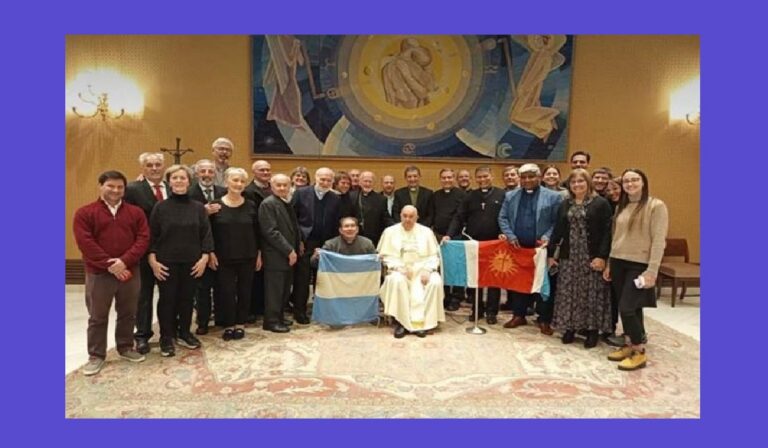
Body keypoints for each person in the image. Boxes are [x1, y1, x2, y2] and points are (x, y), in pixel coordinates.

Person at [73, 170, 150, 376]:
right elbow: (85, 243)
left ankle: (125, 347)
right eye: (111, 186)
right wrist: (110, 264)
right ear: (101, 186)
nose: (115, 190)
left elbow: (143, 239)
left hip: (129, 272)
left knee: (128, 312)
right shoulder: (85, 213)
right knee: (98, 316)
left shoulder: (135, 213)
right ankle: (96, 355)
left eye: (120, 187)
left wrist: (124, 261)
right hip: (99, 274)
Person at [604, 168, 668, 371]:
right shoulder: (621, 207)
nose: (630, 184)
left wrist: (652, 270)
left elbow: (659, 241)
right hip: (618, 262)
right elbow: (615, 238)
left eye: (635, 180)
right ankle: (629, 345)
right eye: (627, 181)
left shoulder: (656, 206)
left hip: (639, 264)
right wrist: (609, 263)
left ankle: (639, 351)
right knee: (633, 308)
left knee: (627, 307)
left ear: (643, 182)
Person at [148, 165, 213, 357]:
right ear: (169, 181)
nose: (178, 181)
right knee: (167, 300)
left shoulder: (198, 208)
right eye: (174, 178)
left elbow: (206, 234)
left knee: (187, 299)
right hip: (166, 262)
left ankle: (184, 332)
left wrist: (204, 257)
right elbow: (152, 236)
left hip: (192, 262)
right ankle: (166, 337)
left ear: (188, 181)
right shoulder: (160, 207)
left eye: (182, 178)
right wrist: (152, 260)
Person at [549, 169, 613, 349]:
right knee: (569, 292)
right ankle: (570, 327)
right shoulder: (565, 204)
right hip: (569, 256)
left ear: (588, 183)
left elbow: (607, 233)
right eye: (573, 182)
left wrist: (601, 256)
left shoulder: (601, 203)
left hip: (590, 256)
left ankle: (591, 330)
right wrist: (551, 255)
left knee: (591, 293)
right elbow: (558, 230)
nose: (577, 185)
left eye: (581, 181)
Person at [498, 163, 562, 334]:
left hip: (542, 249)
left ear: (539, 177)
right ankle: (519, 314)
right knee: (519, 281)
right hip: (518, 247)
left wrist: (547, 237)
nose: (527, 180)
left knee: (543, 282)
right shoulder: (511, 195)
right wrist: (511, 236)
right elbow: (502, 217)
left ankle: (544, 319)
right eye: (524, 177)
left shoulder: (553, 197)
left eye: (531, 176)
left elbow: (557, 221)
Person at [444, 166, 505, 323]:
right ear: (475, 179)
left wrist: (505, 232)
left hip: (495, 243)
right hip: (474, 243)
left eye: (485, 176)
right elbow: (459, 217)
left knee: (493, 279)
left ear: (491, 176)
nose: (482, 180)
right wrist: (449, 235)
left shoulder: (501, 194)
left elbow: (507, 217)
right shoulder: (470, 196)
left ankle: (492, 312)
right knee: (475, 277)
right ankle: (477, 309)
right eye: (479, 177)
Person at [208, 168, 260, 341]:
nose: (238, 184)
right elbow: (208, 231)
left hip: (248, 255)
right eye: (235, 180)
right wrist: (210, 253)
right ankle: (229, 324)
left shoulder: (251, 205)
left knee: (245, 290)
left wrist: (259, 253)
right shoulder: (215, 205)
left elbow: (257, 231)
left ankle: (240, 324)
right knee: (226, 291)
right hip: (223, 257)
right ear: (227, 182)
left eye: (242, 181)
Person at [124, 152, 168, 355]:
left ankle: (169, 332)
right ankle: (142, 335)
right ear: (143, 168)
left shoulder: (173, 186)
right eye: (150, 165)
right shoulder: (133, 189)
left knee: (169, 295)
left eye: (158, 164)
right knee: (144, 295)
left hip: (171, 251)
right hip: (143, 252)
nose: (154, 168)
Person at [378, 205, 445, 338]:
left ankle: (424, 323)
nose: (408, 219)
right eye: (405, 216)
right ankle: (401, 322)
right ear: (400, 216)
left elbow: (434, 256)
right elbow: (385, 256)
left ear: (417, 217)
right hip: (399, 268)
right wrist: (398, 267)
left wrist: (428, 269)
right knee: (397, 281)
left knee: (435, 282)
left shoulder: (426, 232)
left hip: (423, 268)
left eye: (411, 216)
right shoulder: (390, 231)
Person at [291, 167, 341, 324]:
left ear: (332, 181)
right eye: (322, 179)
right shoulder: (301, 193)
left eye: (328, 180)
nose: (325, 183)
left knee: (323, 279)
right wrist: (298, 240)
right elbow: (293, 218)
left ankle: (322, 310)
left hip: (325, 244)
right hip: (305, 242)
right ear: (316, 178)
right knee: (302, 279)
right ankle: (299, 311)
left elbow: (336, 223)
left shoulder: (336, 198)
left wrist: (331, 246)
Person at [259, 174, 302, 333]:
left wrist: (298, 244)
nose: (282, 188)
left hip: (288, 254)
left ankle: (279, 316)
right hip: (276, 254)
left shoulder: (285, 202)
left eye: (285, 185)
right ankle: (271, 321)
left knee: (284, 289)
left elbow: (292, 227)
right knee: (275, 290)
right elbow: (271, 232)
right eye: (279, 185)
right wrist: (289, 250)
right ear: (272, 186)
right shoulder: (268, 204)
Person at [189, 159, 226, 334]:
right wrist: (201, 211)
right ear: (196, 174)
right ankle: (202, 322)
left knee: (221, 285)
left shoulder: (223, 192)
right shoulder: (189, 193)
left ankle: (220, 317)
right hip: (198, 248)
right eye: (202, 171)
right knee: (202, 288)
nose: (206, 175)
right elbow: (184, 220)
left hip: (222, 247)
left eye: (210, 171)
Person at [431, 169, 466, 311]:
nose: (446, 180)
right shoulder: (435, 195)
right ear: (440, 179)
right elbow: (432, 215)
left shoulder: (461, 195)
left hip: (455, 237)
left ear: (453, 178)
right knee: (442, 268)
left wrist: (450, 235)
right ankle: (444, 296)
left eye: (449, 177)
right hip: (438, 235)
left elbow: (459, 217)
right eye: (444, 178)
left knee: (456, 267)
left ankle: (457, 297)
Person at [243, 160, 273, 321]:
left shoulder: (273, 189)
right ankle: (252, 309)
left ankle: (263, 307)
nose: (265, 172)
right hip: (257, 235)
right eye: (262, 170)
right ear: (254, 172)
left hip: (272, 237)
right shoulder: (248, 191)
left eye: (268, 170)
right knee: (255, 275)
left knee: (266, 275)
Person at [348, 171, 394, 246]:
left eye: (370, 181)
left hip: (374, 238)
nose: (367, 184)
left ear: (373, 183)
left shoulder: (381, 199)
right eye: (365, 181)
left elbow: (386, 218)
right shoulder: (351, 197)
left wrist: (396, 227)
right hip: (354, 237)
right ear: (360, 182)